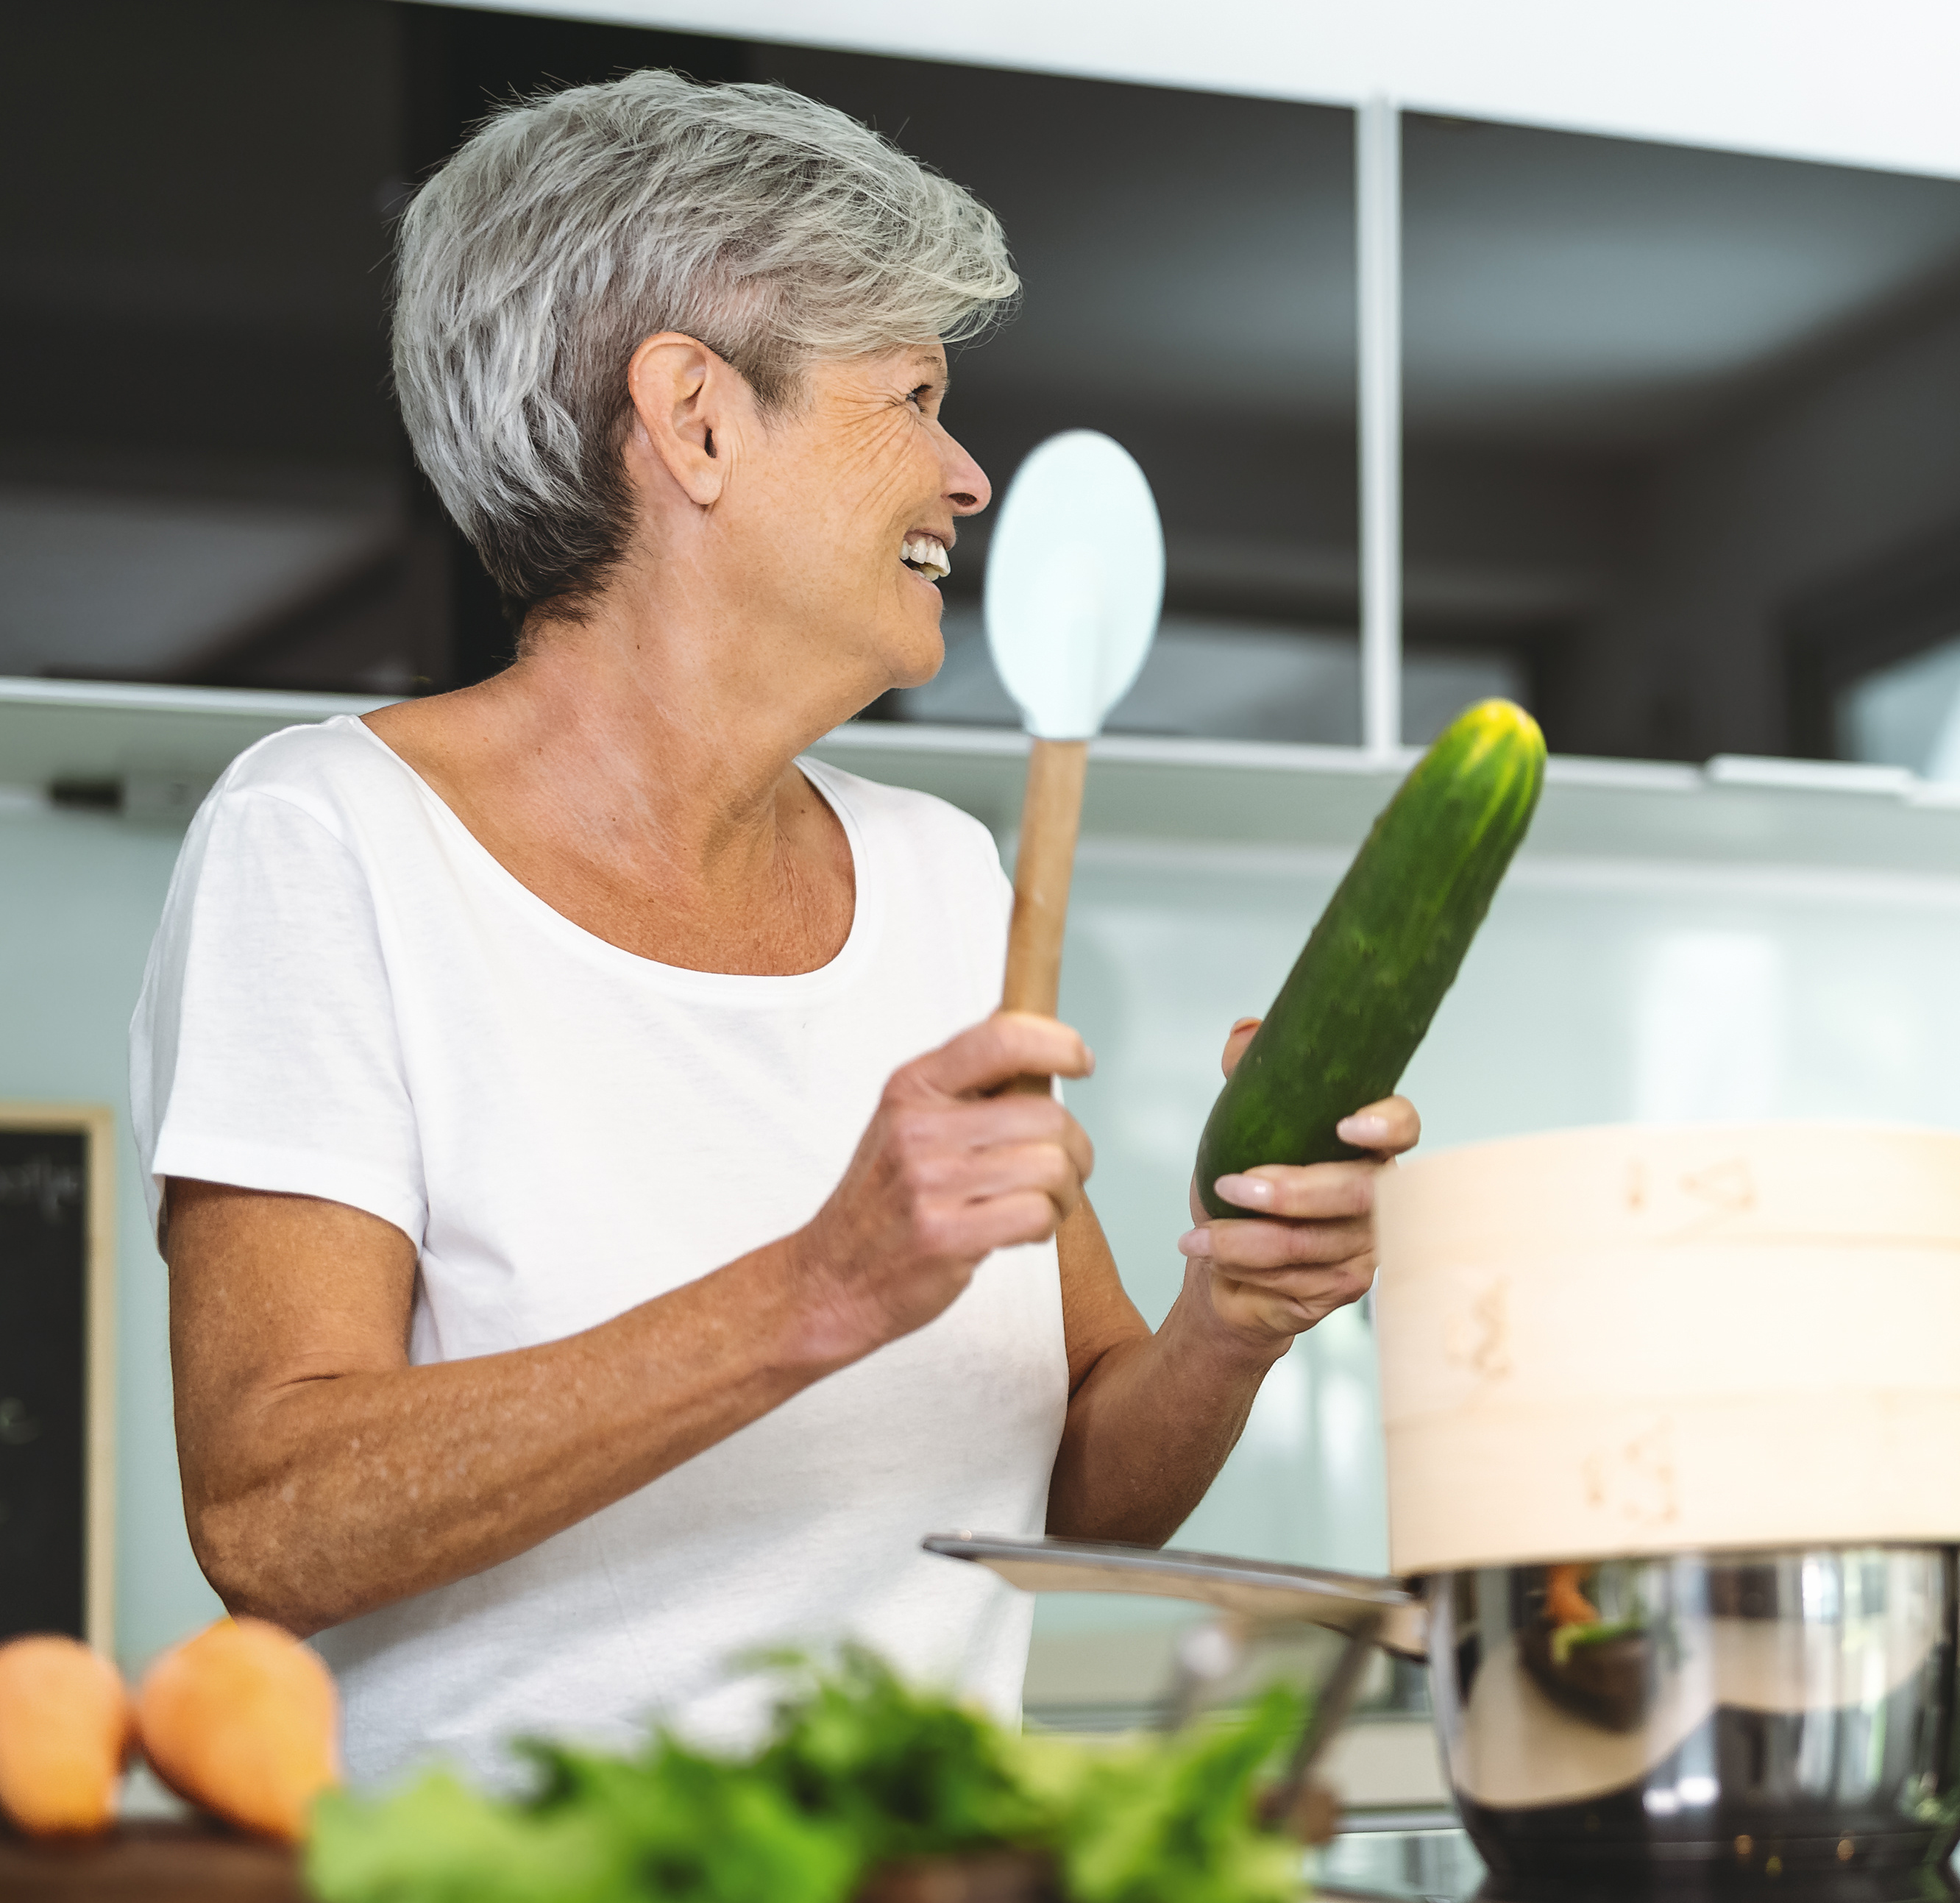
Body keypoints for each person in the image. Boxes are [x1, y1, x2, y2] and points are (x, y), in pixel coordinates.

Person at [129, 72, 1408, 1787]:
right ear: (698, 419)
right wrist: (815, 1291)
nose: (967, 479)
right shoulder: (329, 840)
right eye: (913, 396)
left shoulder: (949, 880)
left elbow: (1075, 1478)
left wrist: (1234, 1321)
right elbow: (272, 1514)